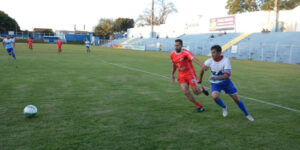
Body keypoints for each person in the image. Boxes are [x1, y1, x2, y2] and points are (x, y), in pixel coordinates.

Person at [198, 45, 254, 121]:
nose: (212, 54)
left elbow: (227, 75)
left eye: (214, 52)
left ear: (219, 52)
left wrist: (216, 78)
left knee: (236, 99)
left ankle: (247, 114)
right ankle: (224, 107)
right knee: (215, 96)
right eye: (211, 53)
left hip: (226, 82)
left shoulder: (225, 60)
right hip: (216, 83)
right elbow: (202, 69)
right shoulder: (209, 61)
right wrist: (200, 79)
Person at [170, 39, 209, 112]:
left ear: (181, 46)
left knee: (196, 92)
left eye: (177, 45)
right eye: (175, 45)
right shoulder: (172, 54)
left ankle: (202, 89)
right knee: (186, 92)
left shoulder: (186, 53)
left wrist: (202, 65)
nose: (176, 47)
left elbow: (194, 59)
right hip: (181, 75)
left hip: (190, 74)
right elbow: (174, 65)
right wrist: (172, 74)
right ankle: (200, 106)